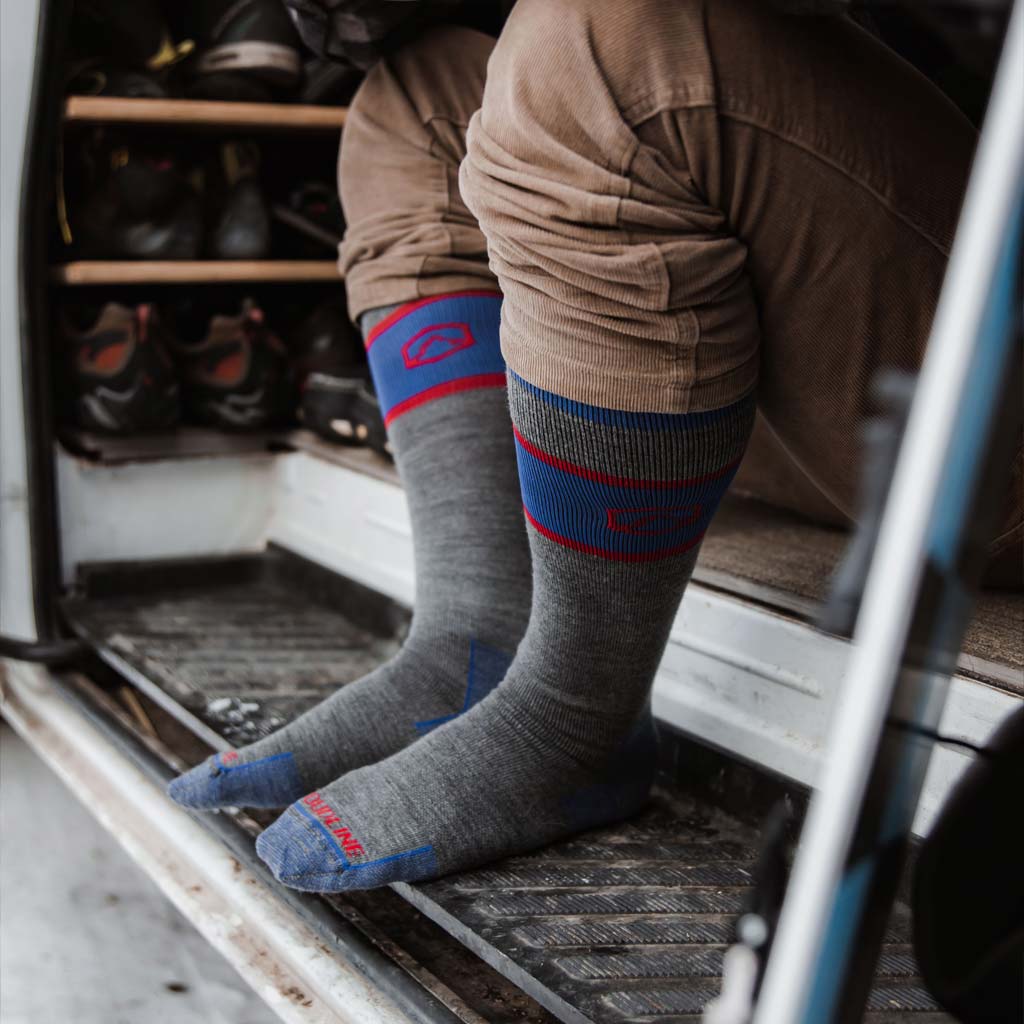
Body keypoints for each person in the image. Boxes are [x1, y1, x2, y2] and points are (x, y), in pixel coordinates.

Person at [169, 0, 1019, 891]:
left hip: (986, 446)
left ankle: (576, 718)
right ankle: (472, 637)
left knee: (612, 42)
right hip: (821, 415)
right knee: (412, 103)